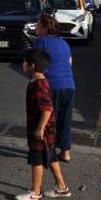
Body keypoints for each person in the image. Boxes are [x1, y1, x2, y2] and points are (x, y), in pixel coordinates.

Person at [17, 48, 71, 200]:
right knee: (51, 156)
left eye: (24, 62)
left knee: (37, 160)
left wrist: (40, 128)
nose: (23, 64)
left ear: (31, 65)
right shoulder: (39, 81)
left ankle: (35, 193)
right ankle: (62, 188)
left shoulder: (39, 85)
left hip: (41, 131)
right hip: (47, 130)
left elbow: (47, 109)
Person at [32, 13, 75, 163]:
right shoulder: (63, 43)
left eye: (38, 24)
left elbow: (37, 64)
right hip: (69, 85)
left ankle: (48, 150)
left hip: (52, 85)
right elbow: (70, 62)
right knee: (65, 119)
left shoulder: (41, 41)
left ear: (44, 28)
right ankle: (66, 152)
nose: (36, 27)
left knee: (49, 119)